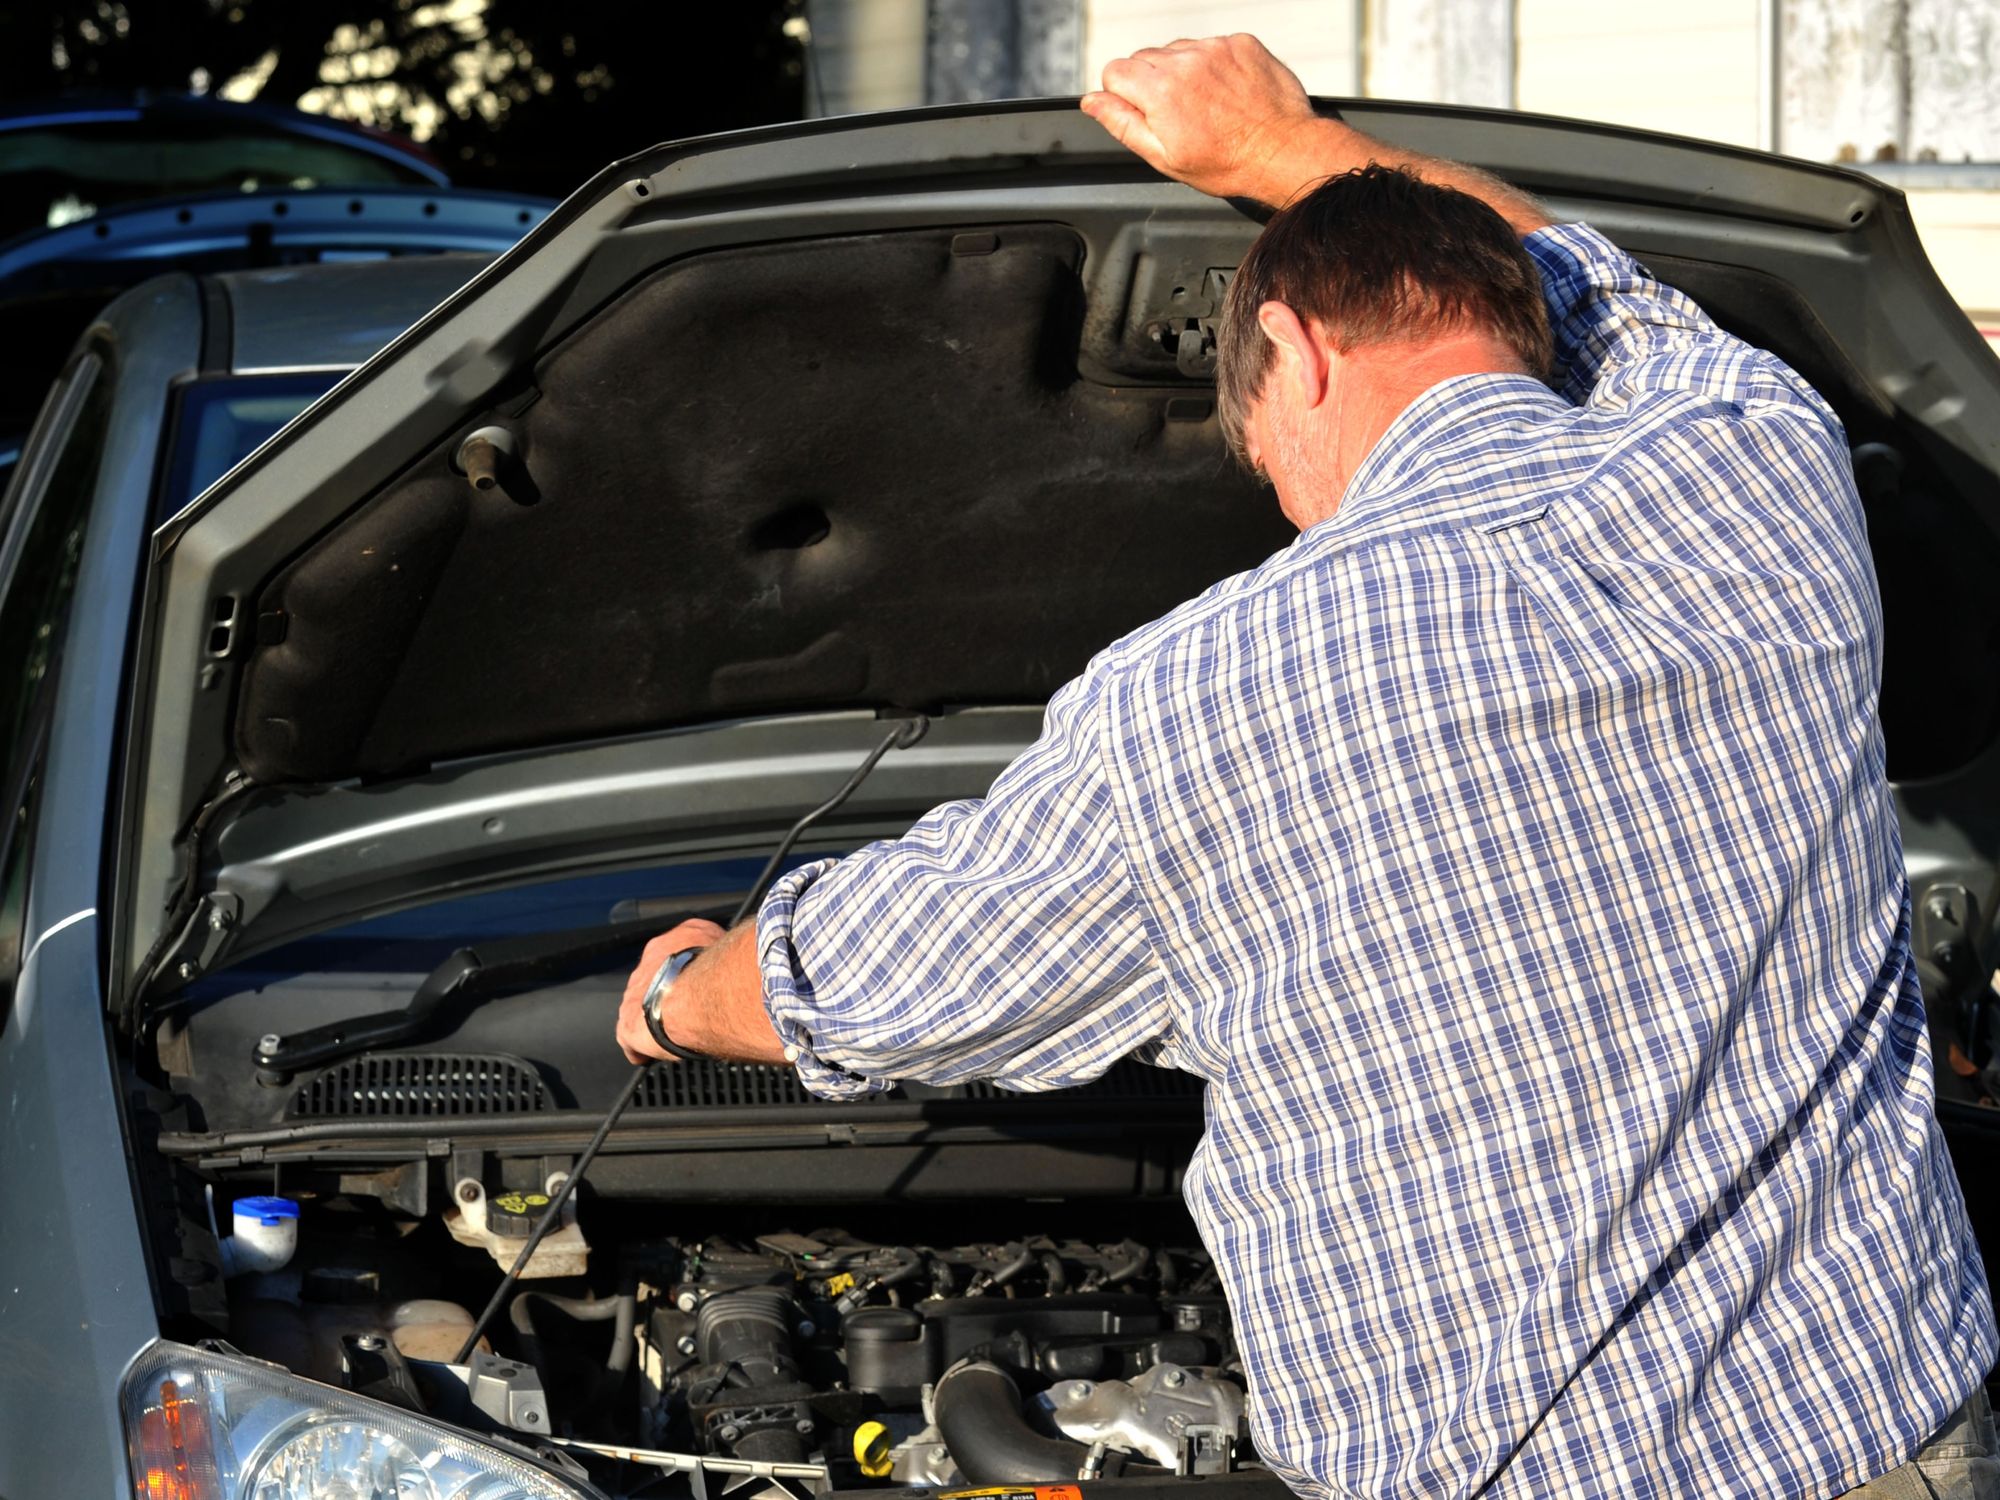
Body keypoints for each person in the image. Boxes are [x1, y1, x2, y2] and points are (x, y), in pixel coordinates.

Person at [615, 34, 1998, 1499]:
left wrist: (674, 996)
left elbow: (884, 978)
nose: (1278, 496)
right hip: (1890, 1438)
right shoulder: (1755, 458)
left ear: (1300, 348)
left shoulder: (1202, 694)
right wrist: (1284, 148)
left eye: (1259, 443)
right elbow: (1591, 280)